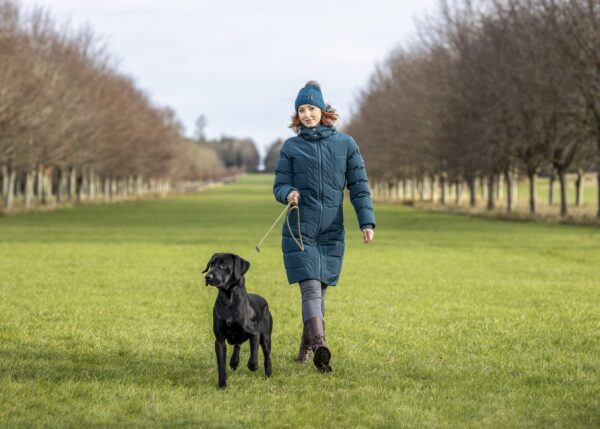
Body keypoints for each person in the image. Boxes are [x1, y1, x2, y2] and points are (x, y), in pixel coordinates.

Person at [273, 81, 376, 373]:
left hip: (331, 231)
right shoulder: (291, 147)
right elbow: (280, 184)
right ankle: (320, 345)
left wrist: (366, 221)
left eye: (311, 108)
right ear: (297, 115)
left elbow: (359, 186)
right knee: (311, 292)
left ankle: (306, 346)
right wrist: (288, 192)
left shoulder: (346, 145)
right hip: (300, 230)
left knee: (322, 292)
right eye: (301, 110)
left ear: (322, 110)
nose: (307, 114)